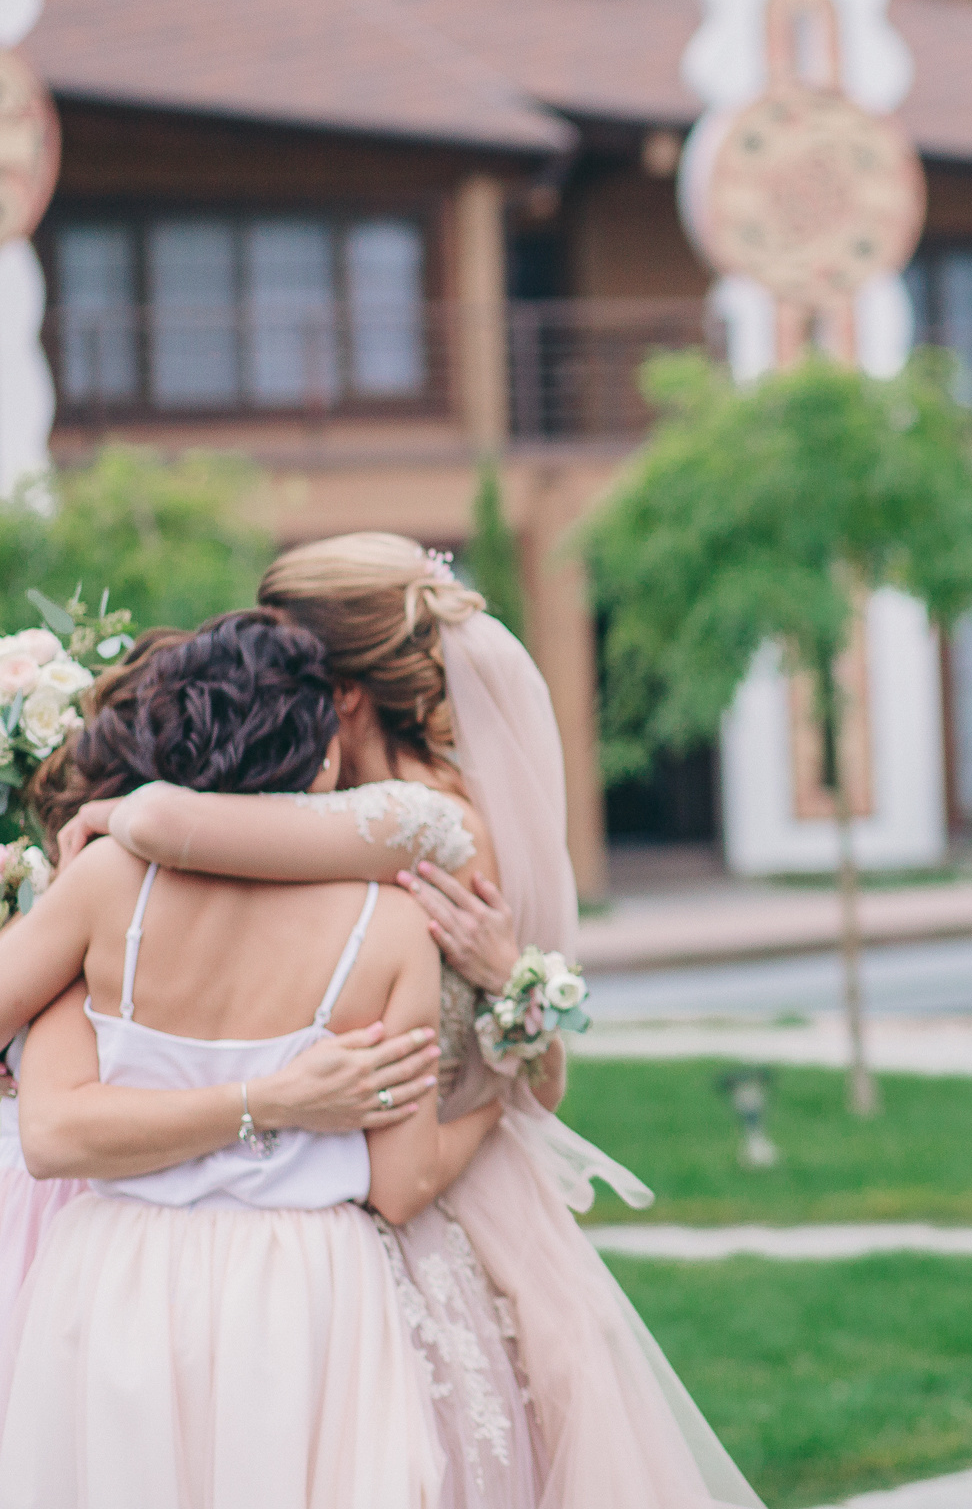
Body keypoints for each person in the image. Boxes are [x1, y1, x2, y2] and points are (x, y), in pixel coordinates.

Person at [51, 533, 763, 1509]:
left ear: (341, 692)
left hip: (418, 1208)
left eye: (287, 662)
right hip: (322, 1194)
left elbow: (174, 824)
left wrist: (113, 814)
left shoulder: (417, 822)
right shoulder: (375, 810)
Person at [0, 610, 500, 1507]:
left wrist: (36, 1030)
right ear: (322, 761)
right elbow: (401, 1188)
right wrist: (497, 1109)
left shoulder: (109, 883)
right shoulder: (393, 928)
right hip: (304, 1292)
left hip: (120, 1275)